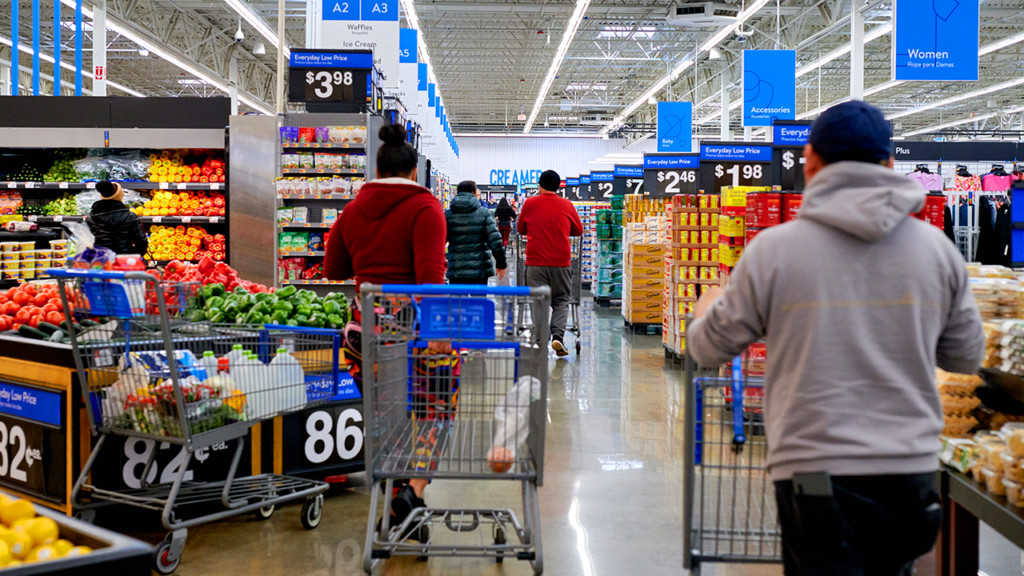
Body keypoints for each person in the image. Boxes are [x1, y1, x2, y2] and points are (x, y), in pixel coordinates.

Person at [686, 101, 985, 576]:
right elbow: (967, 356)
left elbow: (705, 348)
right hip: (909, 471)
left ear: (810, 160)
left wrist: (706, 305)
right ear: (890, 163)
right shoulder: (938, 252)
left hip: (813, 473)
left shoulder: (773, 252)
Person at [324, 123, 448, 531]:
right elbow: (431, 277)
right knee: (436, 407)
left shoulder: (352, 210)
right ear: (414, 172)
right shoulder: (425, 208)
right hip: (413, 328)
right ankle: (413, 489)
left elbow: (333, 269)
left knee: (384, 415)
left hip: (365, 330)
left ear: (376, 170)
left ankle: (395, 495)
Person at [517, 170, 583, 356]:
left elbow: (521, 228)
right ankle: (557, 337)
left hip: (536, 262)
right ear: (558, 187)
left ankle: (540, 341)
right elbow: (578, 230)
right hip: (561, 262)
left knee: (538, 301)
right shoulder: (567, 204)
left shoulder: (530, 203)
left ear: (540, 185)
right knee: (562, 300)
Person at [445, 180, 507, 285]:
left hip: (456, 269)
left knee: (458, 301)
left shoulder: (448, 215)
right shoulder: (484, 213)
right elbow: (495, 240)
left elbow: (437, 242)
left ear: (457, 193)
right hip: (480, 270)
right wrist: (501, 264)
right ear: (474, 193)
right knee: (479, 301)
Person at [86, 180, 148, 256]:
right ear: (120, 195)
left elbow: (85, 243)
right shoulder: (131, 217)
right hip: (125, 261)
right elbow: (142, 243)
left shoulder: (91, 218)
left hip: (100, 260)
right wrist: (131, 255)